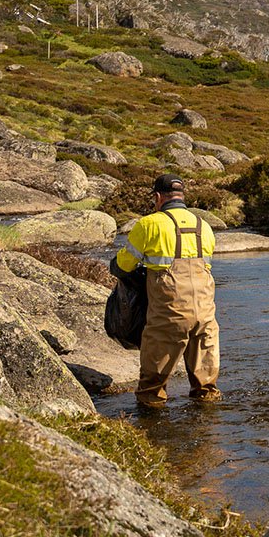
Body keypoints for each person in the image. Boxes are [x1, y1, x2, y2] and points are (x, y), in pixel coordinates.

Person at [111, 173, 221, 408]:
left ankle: (152, 428)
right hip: (205, 313)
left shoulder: (149, 224)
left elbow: (123, 265)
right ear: (182, 197)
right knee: (206, 388)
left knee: (152, 388)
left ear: (158, 197)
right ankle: (208, 433)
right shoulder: (205, 226)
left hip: (169, 314)